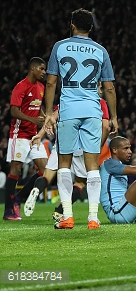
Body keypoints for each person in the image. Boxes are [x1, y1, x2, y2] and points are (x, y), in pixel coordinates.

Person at [43, 8, 119, 229]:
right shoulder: (101, 50)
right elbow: (109, 88)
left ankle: (67, 216)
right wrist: (113, 117)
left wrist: (49, 113)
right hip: (93, 111)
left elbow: (50, 82)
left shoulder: (60, 46)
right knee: (92, 165)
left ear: (72, 25)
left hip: (68, 111)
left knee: (64, 164)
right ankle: (93, 218)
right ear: (91, 28)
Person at [23, 82, 112, 219]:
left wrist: (40, 135)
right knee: (80, 182)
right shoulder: (99, 102)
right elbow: (105, 127)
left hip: (62, 142)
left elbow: (53, 117)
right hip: (83, 146)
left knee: (48, 175)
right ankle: (60, 211)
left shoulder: (69, 99)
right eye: (100, 87)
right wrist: (97, 147)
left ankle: (36, 189)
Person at [3, 57, 48, 221]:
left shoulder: (41, 87)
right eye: (42, 69)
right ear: (33, 69)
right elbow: (14, 111)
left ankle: (19, 198)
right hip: (19, 134)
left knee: (46, 170)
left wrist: (44, 118)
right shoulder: (20, 87)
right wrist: (32, 120)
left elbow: (38, 106)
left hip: (34, 136)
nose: (44, 72)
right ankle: (8, 210)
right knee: (15, 170)